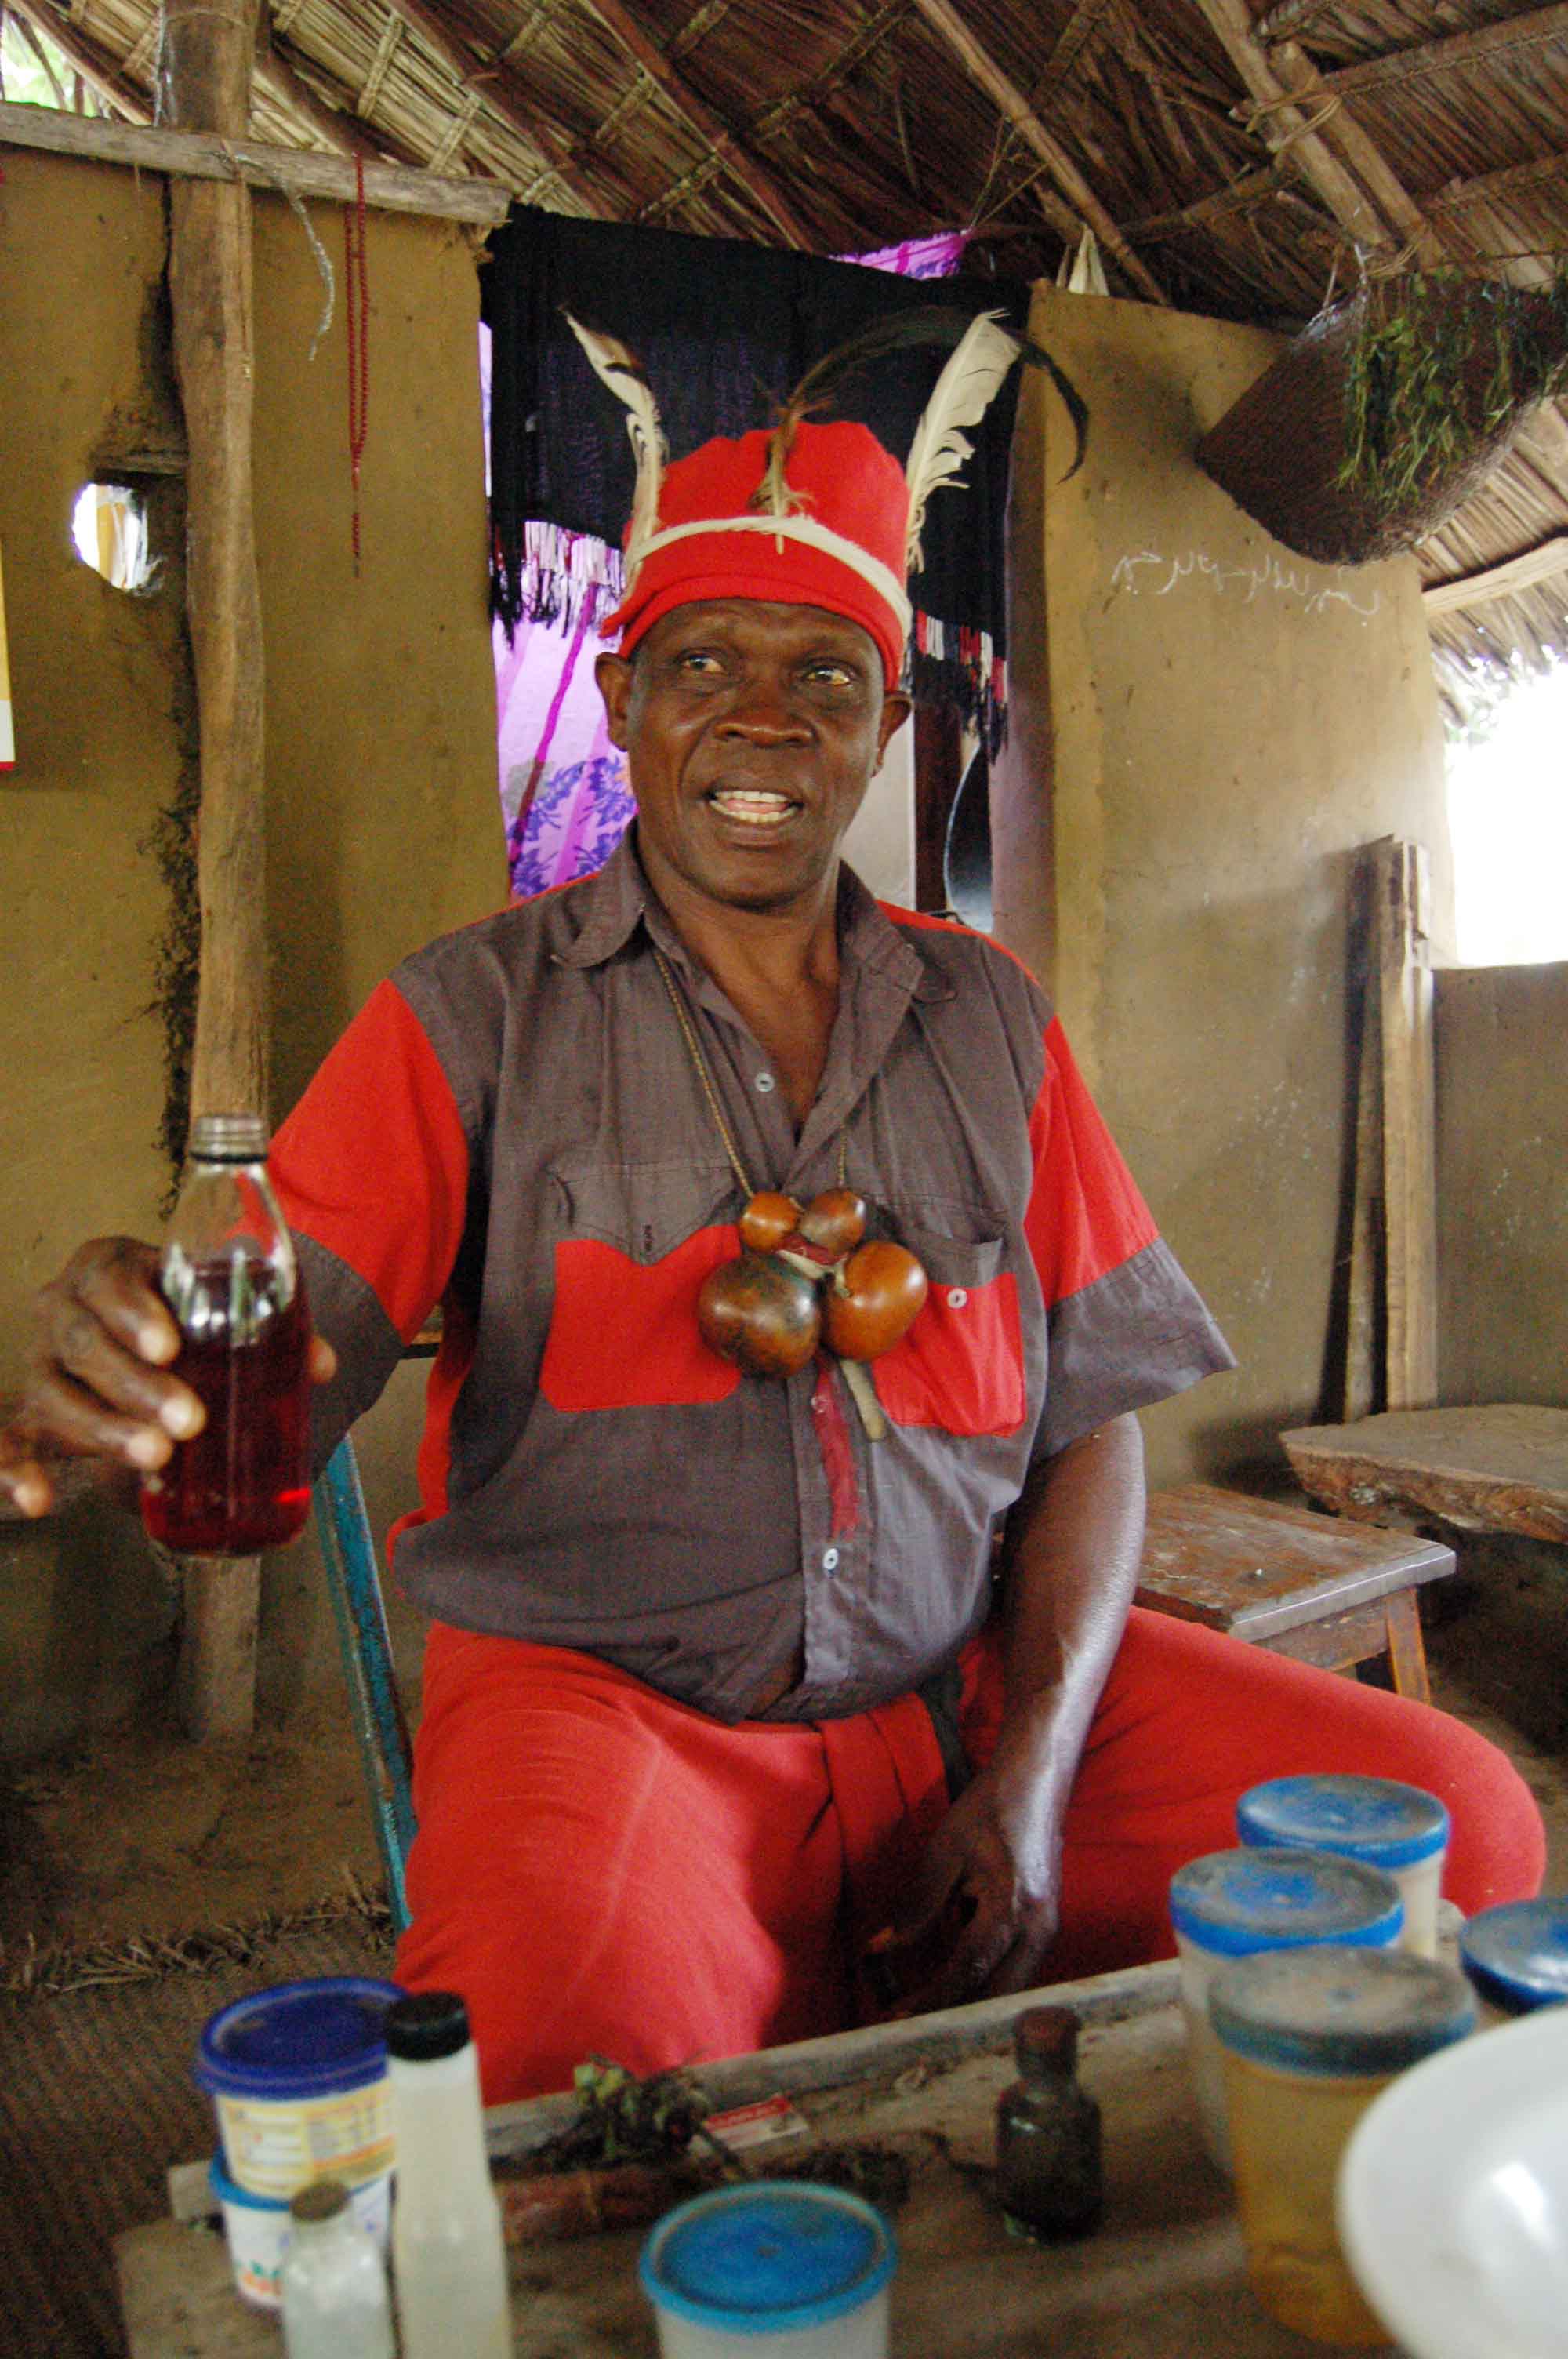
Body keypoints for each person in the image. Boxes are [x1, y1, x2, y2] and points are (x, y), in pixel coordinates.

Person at [2, 344, 1543, 2103]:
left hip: (969, 1693)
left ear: (890, 724)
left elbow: (1091, 1425)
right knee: (558, 2072)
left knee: (1455, 1831)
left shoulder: (991, 1023)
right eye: (701, 665)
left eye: (824, 673)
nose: (762, 717)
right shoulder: (468, 1019)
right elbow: (272, 1402)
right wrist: (148, 1395)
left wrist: (1026, 1777)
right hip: (615, 1719)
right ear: (617, 694)